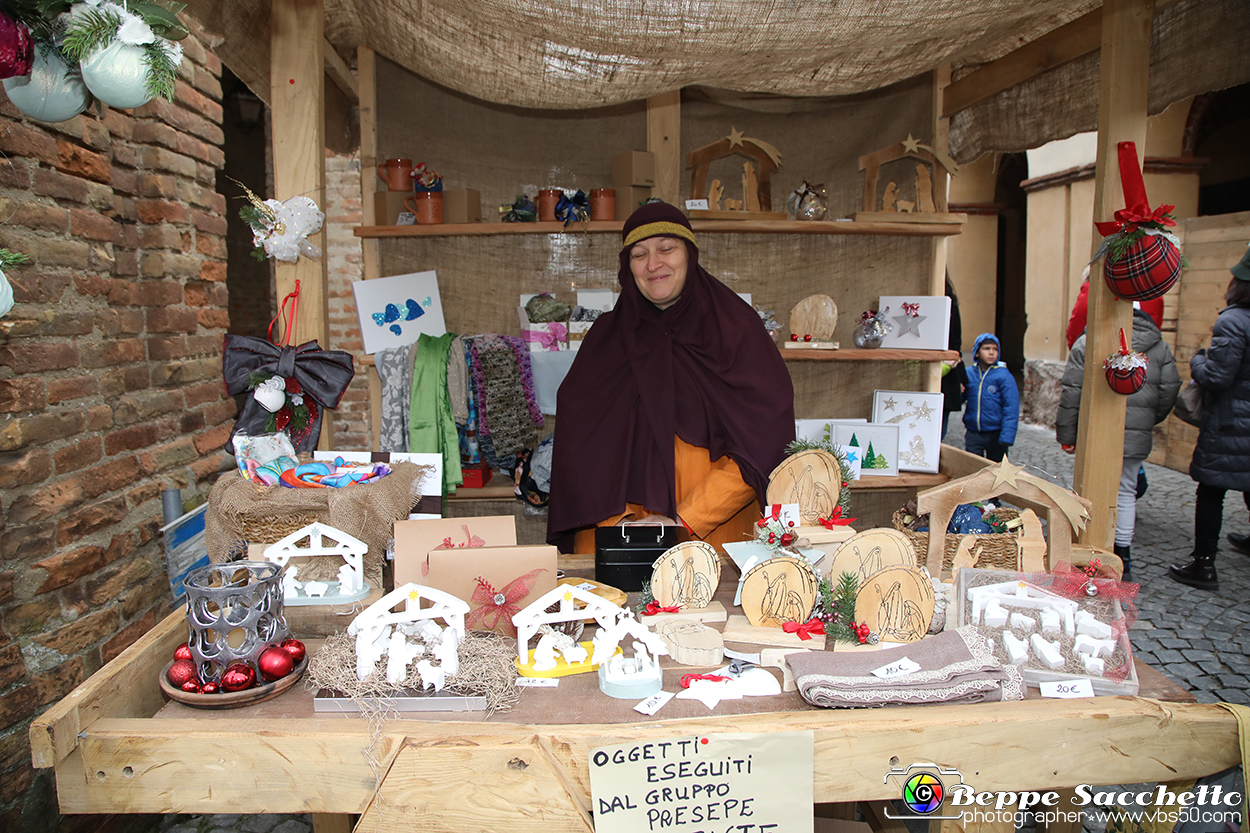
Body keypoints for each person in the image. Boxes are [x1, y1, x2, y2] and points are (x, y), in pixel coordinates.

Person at [547, 202, 795, 552]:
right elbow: (578, 447)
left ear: (689, 255)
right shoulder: (606, 340)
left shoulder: (736, 331)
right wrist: (623, 526)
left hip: (712, 542)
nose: (653, 264)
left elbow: (764, 442)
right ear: (626, 266)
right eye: (639, 254)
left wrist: (686, 520)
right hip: (616, 540)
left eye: (666, 248)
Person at [1055, 308, 1180, 580]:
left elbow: (1072, 390)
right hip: (1136, 431)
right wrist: (1148, 419)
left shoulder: (1088, 341)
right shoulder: (1159, 345)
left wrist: (1067, 433)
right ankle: (1123, 553)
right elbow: (1170, 388)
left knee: (1087, 486)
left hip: (1094, 429)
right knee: (1126, 490)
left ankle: (1085, 548)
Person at [1171, 247, 1250, 591]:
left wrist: (1198, 362)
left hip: (1231, 421)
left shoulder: (1232, 320)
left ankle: (1203, 564)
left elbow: (1217, 376)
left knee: (1212, 491)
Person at [962, 333, 1018, 462]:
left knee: (996, 470)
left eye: (995, 349)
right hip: (974, 432)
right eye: (986, 349)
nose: (991, 353)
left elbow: (1011, 406)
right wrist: (958, 390)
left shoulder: (1004, 376)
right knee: (973, 467)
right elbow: (960, 398)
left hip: (996, 433)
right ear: (977, 352)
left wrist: (1007, 436)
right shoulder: (969, 374)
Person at [940, 277, 966, 439]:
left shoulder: (949, 301)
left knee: (939, 433)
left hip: (946, 378)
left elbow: (955, 343)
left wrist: (959, 375)